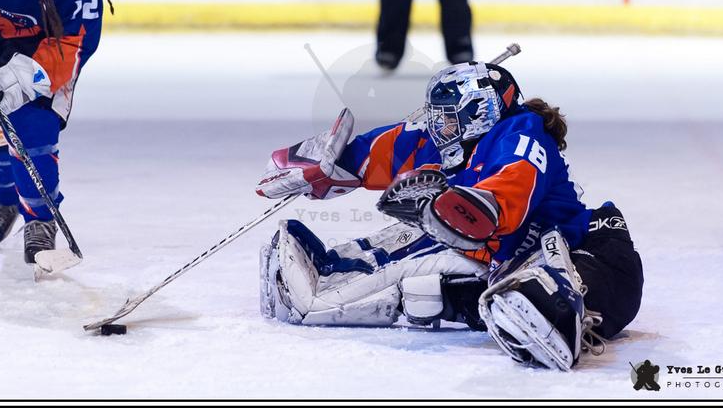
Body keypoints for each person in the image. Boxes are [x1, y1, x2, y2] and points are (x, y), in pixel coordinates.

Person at [256, 59, 644, 370]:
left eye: (446, 116)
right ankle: (330, 267)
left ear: (480, 111)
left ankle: (559, 316)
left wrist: (449, 213)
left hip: (592, 258)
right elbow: (394, 146)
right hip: (511, 254)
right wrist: (326, 165)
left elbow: (510, 188)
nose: (438, 123)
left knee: (469, 274)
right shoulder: (456, 140)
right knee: (420, 244)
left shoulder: (521, 133)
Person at [0, 0, 112, 266]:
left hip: (50, 47)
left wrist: (25, 79)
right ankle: (5, 199)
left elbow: (80, 33)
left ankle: (40, 220)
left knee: (33, 127)